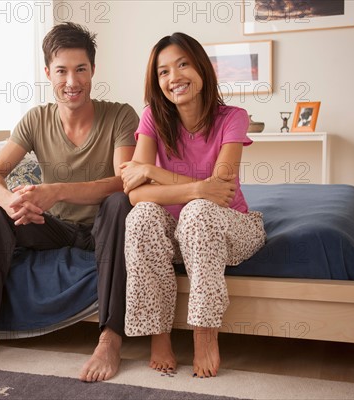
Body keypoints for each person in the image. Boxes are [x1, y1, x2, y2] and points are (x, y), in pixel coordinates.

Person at [0, 22, 139, 383]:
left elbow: (122, 180)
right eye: (62, 70)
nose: (72, 81)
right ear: (48, 73)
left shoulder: (120, 115)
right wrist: (10, 202)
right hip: (57, 229)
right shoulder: (36, 119)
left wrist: (57, 190)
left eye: (81, 69)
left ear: (93, 70)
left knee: (119, 202)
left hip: (103, 228)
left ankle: (110, 337)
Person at [120, 32, 266, 378]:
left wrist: (154, 172)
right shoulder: (152, 118)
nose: (174, 78)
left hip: (232, 227)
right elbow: (137, 195)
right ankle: (159, 337)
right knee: (141, 216)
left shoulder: (233, 117)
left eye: (183, 64)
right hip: (176, 236)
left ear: (201, 68)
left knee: (199, 213)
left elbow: (222, 192)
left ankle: (205, 334)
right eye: (163, 72)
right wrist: (199, 187)